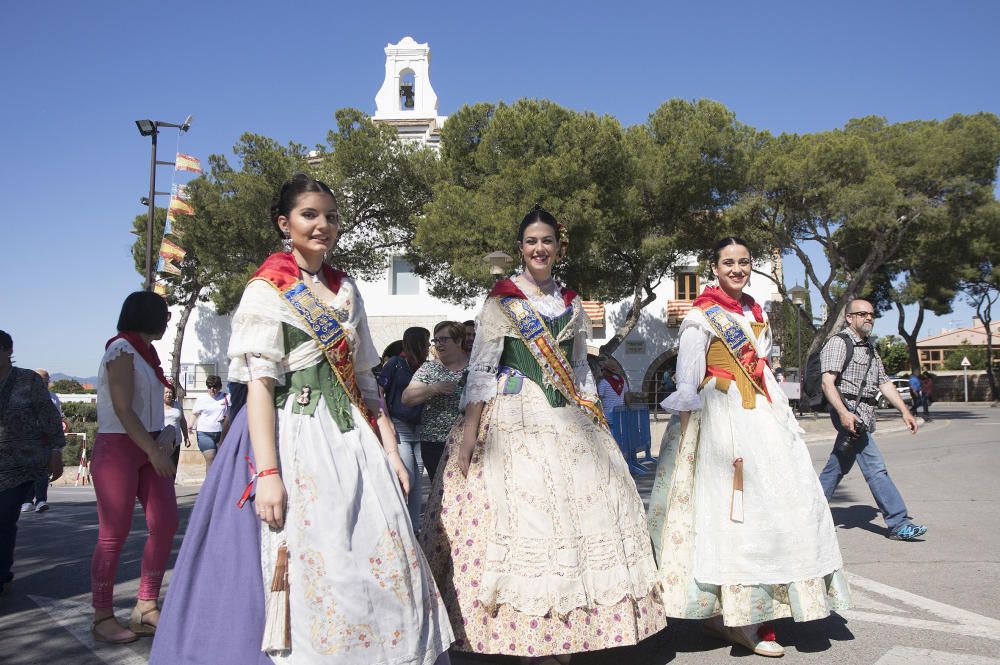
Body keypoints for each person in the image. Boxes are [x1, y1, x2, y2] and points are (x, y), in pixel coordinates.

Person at [149, 174, 452, 665]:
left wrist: (392, 450)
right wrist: (267, 475)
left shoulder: (347, 289)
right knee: (321, 565)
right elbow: (260, 388)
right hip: (297, 437)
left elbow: (365, 380)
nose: (323, 225)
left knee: (383, 563)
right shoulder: (267, 289)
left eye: (331, 216)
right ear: (284, 223)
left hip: (357, 441)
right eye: (310, 215)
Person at [420, 205, 665, 663]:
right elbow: (483, 370)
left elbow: (577, 368)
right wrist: (471, 434)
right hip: (513, 417)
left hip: (569, 419)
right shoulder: (501, 300)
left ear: (559, 247)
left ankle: (572, 631)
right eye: (531, 241)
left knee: (587, 517)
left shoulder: (571, 303)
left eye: (547, 241)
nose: (539, 248)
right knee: (524, 514)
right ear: (521, 248)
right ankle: (530, 633)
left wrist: (593, 414)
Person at [647, 238, 850, 658]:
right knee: (729, 514)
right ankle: (736, 616)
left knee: (775, 507)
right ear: (714, 267)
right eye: (728, 263)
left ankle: (752, 607)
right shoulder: (702, 316)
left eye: (743, 262)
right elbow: (687, 382)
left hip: (764, 417)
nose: (737, 269)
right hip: (722, 419)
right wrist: (687, 447)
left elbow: (764, 363)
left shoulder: (756, 310)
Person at [90, 292, 179, 644]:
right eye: (164, 315)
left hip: (151, 444)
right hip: (120, 448)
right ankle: (101, 616)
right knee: (113, 534)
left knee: (166, 521)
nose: (168, 320)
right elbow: (123, 408)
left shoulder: (146, 353)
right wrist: (153, 451)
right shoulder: (121, 350)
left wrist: (164, 437)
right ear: (145, 315)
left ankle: (146, 606)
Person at [818, 299, 928, 542]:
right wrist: (845, 414)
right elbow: (828, 382)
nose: (869, 317)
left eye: (871, 314)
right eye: (862, 313)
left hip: (864, 413)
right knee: (875, 467)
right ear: (849, 317)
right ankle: (898, 523)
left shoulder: (869, 348)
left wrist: (905, 411)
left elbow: (884, 383)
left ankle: (810, 514)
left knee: (836, 467)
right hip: (847, 411)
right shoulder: (839, 343)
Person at [0, 331, 64, 595]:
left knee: (3, 520)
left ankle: (1, 574)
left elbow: (49, 416)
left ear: (8, 351)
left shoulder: (28, 380)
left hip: (20, 464)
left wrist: (56, 451)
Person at [401, 321, 468, 484]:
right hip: (434, 442)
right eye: (435, 340)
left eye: (444, 340)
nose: (438, 344)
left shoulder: (475, 366)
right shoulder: (429, 369)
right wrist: (433, 389)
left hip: (467, 439)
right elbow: (406, 398)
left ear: (458, 341)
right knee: (440, 491)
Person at [378, 327, 429, 527]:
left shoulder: (425, 367)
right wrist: (386, 419)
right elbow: (379, 391)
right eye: (426, 342)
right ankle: (398, 524)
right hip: (400, 427)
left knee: (417, 479)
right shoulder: (395, 364)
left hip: (420, 427)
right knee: (409, 478)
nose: (428, 347)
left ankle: (414, 526)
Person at [19, 368, 62, 513]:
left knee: (42, 470)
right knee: (28, 471)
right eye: (42, 380)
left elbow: (57, 420)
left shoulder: (54, 398)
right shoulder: (24, 396)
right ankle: (26, 500)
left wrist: (57, 445)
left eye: (46, 381)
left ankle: (41, 500)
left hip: (46, 439)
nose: (45, 383)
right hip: (27, 439)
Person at [189, 375, 229, 471]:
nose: (212, 389)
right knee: (211, 457)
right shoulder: (202, 399)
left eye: (215, 387)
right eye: (209, 387)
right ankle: (211, 485)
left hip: (222, 433)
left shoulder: (226, 397)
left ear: (219, 387)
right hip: (204, 433)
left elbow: (231, 412)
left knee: (219, 461)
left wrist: (226, 418)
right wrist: (190, 425)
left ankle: (214, 482)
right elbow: (195, 413)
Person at [162, 386, 189, 473]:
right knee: (163, 468)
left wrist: (186, 437)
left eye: (170, 392)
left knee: (173, 468)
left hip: (176, 442)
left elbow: (183, 421)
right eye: (166, 392)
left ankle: (170, 486)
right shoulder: (158, 406)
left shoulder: (177, 405)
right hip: (162, 442)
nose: (168, 395)